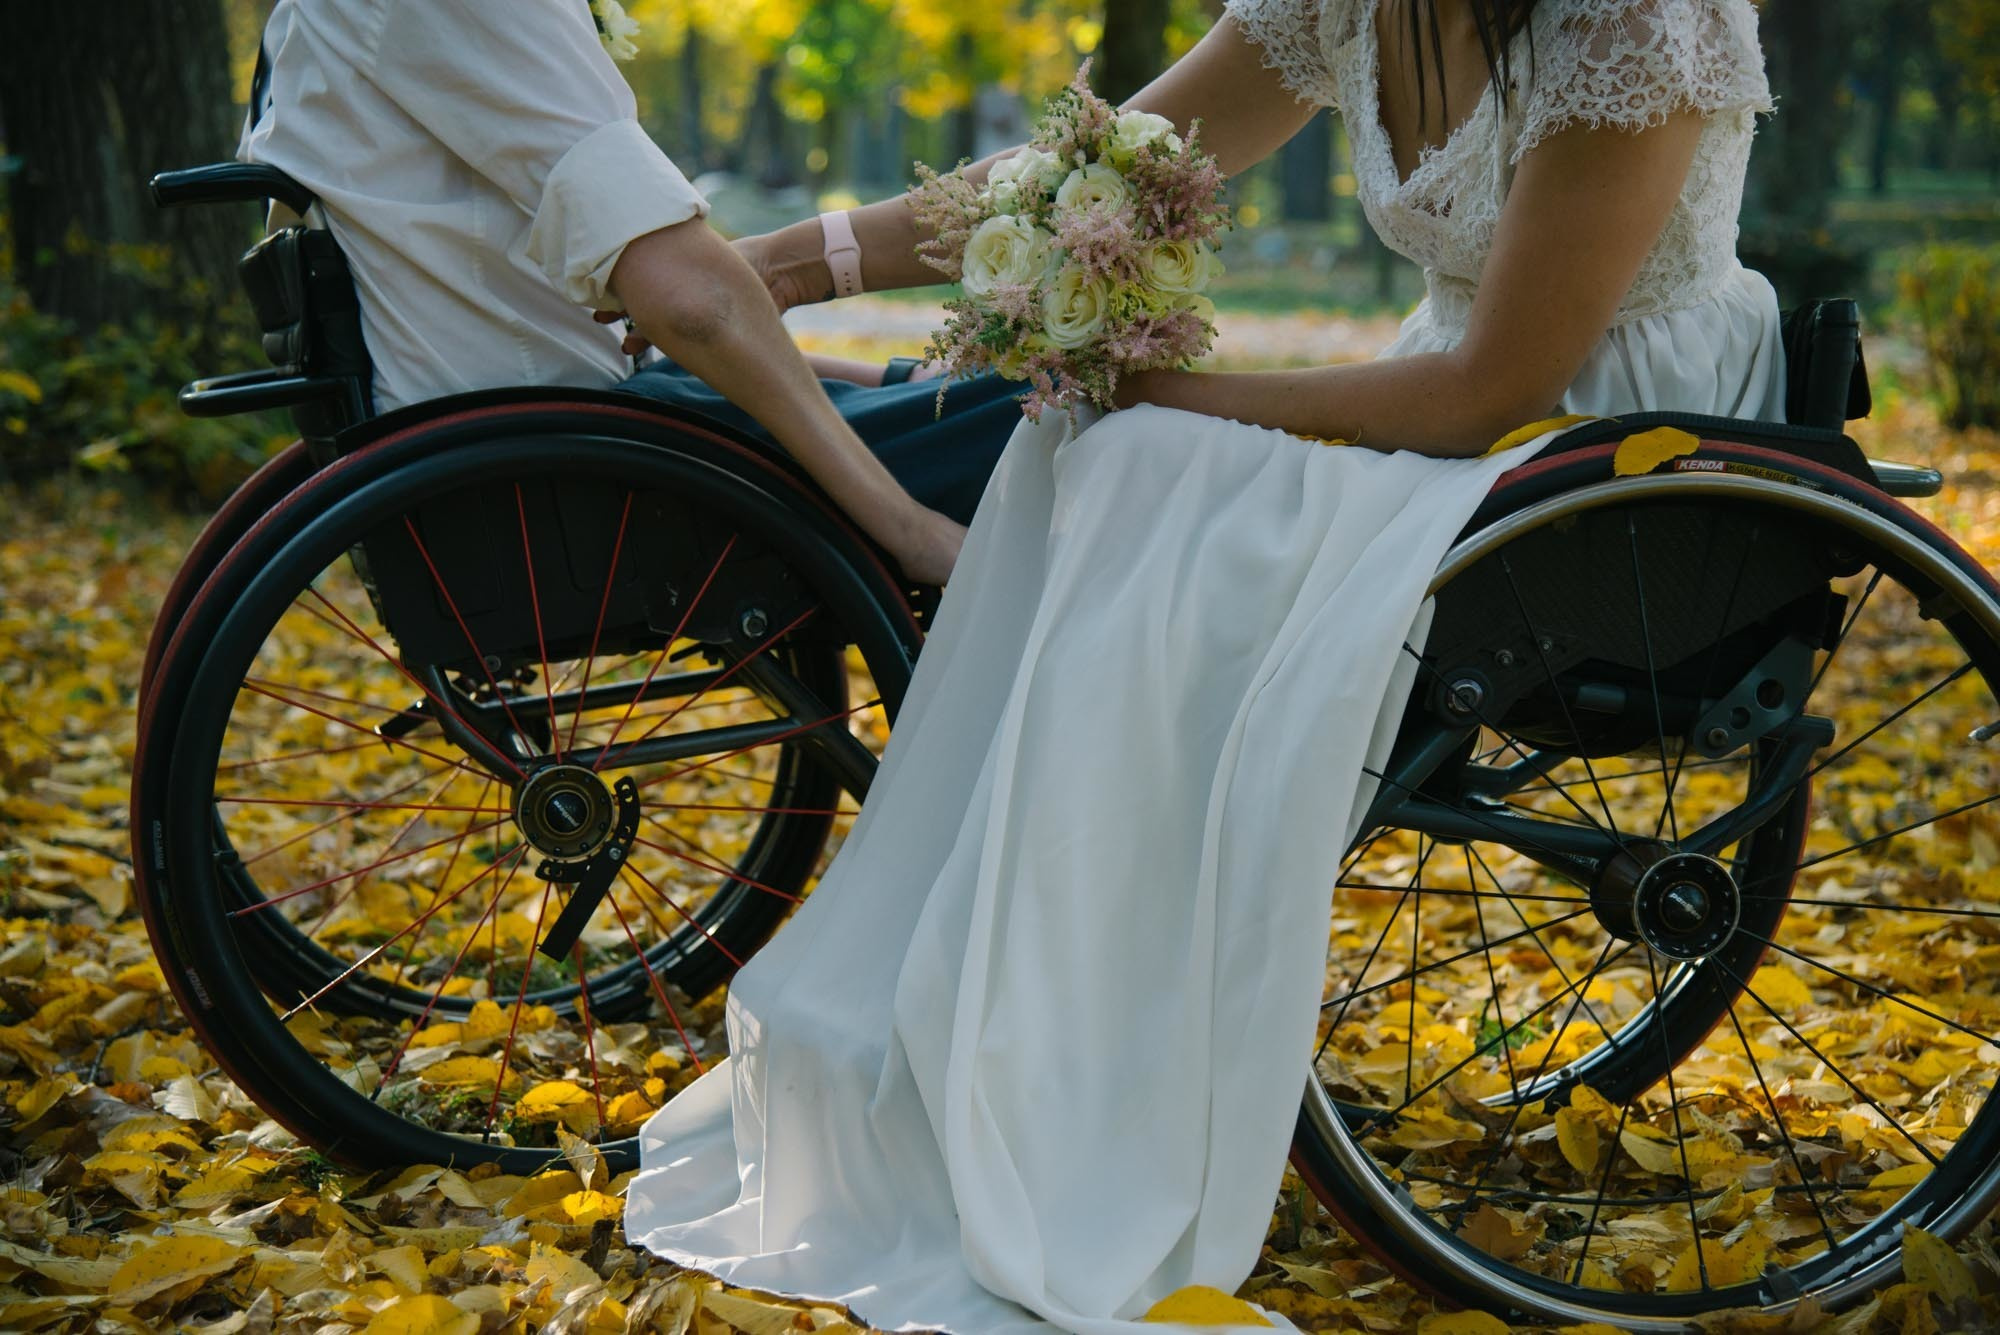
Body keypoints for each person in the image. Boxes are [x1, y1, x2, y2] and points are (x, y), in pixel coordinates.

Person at [624, 0, 1782, 1330]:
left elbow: (1489, 390)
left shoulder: (1638, 22)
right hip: (1456, 420)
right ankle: (1027, 1025)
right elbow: (1079, 179)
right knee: (1084, 448)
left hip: (1608, 452)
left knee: (1135, 456)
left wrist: (1165, 397)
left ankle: (1083, 1056)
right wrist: (777, 269)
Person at [236, 0, 1025, 582]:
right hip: (575, 473)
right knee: (1041, 410)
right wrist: (907, 527)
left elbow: (602, 335)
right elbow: (691, 304)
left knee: (979, 398)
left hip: (527, 444)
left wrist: (885, 377)